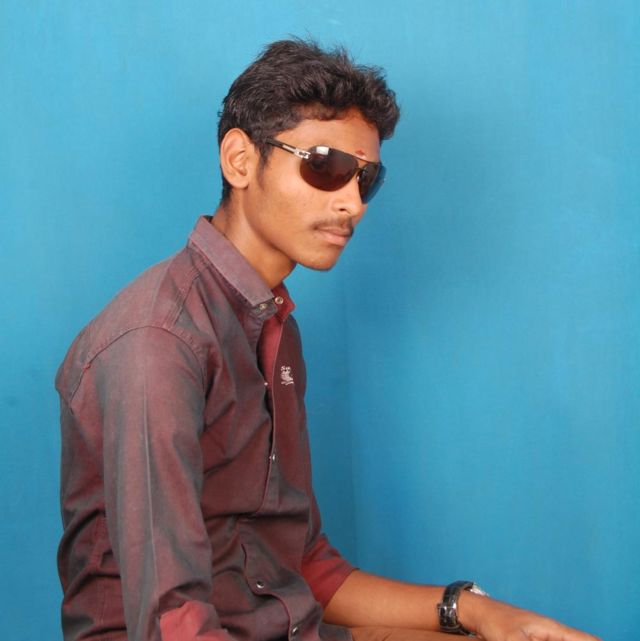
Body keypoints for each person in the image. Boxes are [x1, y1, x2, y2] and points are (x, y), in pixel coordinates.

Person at [56, 39, 600, 641]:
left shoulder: (273, 327)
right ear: (240, 161)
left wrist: (475, 611)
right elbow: (171, 619)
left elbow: (304, 563)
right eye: (326, 166)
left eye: (366, 179)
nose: (352, 204)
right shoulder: (159, 343)